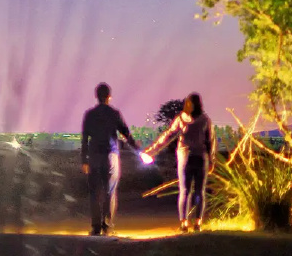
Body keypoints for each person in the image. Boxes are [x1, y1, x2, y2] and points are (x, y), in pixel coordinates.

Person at [144, 92, 217, 232]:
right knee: (199, 192)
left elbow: (167, 135)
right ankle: (198, 222)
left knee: (184, 191)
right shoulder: (205, 119)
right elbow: (210, 141)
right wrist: (212, 160)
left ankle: (184, 223)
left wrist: (152, 150)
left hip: (185, 158)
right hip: (201, 158)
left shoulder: (181, 118)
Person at [81, 81, 141, 236]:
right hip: (111, 155)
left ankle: (95, 228)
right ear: (109, 97)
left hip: (94, 156)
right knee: (110, 191)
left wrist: (84, 160)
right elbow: (126, 134)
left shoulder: (89, 114)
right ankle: (107, 227)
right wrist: (138, 149)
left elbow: (84, 138)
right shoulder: (115, 113)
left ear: (96, 96)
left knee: (94, 192)